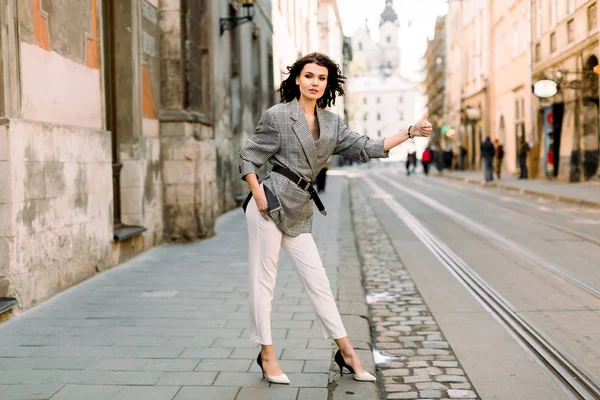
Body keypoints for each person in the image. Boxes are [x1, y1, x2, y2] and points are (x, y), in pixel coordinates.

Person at [239, 52, 432, 385]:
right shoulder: (278, 115)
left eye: (322, 78)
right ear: (297, 79)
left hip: (299, 207)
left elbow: (370, 146)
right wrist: (258, 195)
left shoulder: (332, 123)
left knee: (320, 284)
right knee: (264, 283)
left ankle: (347, 354)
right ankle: (267, 356)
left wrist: (411, 131)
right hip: (268, 204)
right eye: (309, 76)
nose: (315, 82)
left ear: (328, 84)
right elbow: (249, 156)